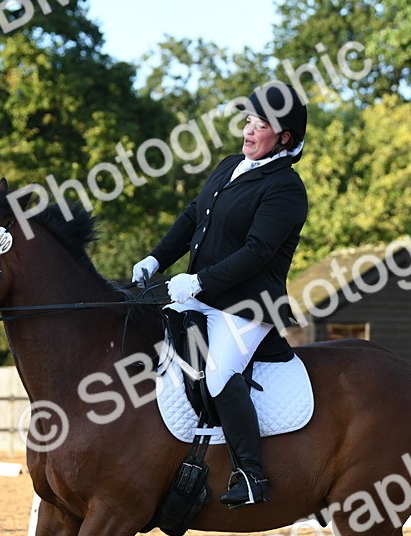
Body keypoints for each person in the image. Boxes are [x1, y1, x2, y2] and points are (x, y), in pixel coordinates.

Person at [131, 81, 308, 508]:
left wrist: (198, 282)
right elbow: (193, 215)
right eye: (248, 121)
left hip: (246, 307)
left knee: (219, 374)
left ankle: (250, 475)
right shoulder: (230, 166)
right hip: (203, 295)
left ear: (284, 137)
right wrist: (156, 259)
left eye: (260, 125)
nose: (248, 130)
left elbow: (258, 251)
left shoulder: (285, 187)